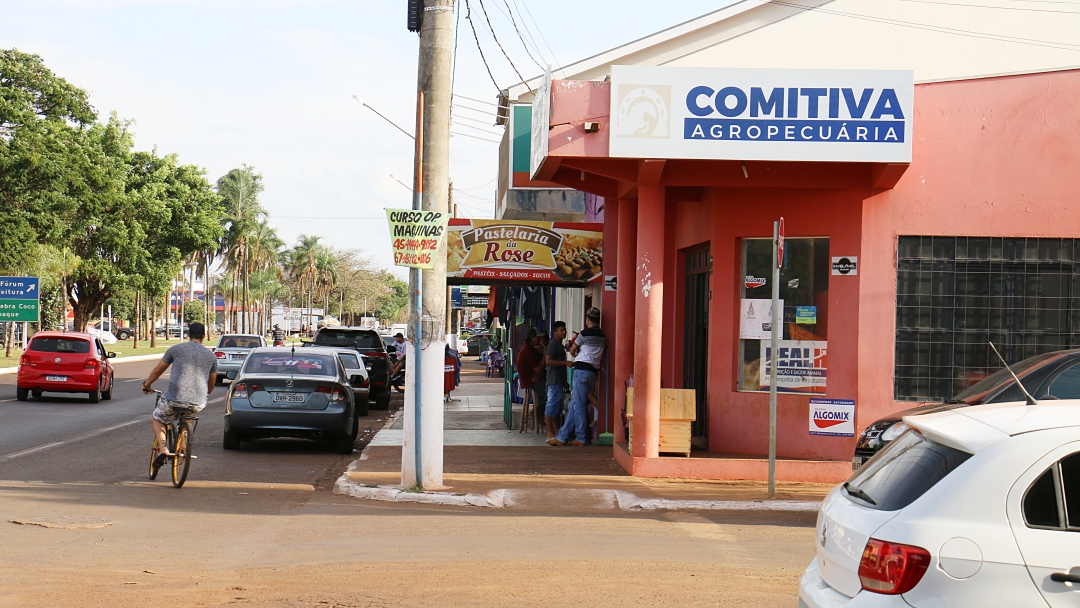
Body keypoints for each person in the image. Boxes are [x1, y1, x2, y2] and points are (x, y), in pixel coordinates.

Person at [142, 322, 218, 463]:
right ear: (204, 336)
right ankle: (183, 444)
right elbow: (212, 383)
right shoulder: (211, 356)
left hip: (174, 397)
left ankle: (164, 448)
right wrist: (204, 396)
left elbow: (157, 371)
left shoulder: (176, 349)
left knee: (157, 418)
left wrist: (147, 385)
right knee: (188, 415)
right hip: (198, 401)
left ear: (188, 335)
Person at [549, 308, 606, 447]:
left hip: (581, 370)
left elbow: (573, 350)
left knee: (578, 405)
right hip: (593, 372)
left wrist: (576, 352)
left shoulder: (584, 334)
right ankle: (562, 436)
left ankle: (581, 437)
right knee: (575, 403)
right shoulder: (602, 336)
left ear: (587, 319)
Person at [544, 321, 573, 441]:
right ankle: (550, 433)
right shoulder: (553, 345)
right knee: (551, 407)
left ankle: (557, 432)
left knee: (557, 408)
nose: (564, 332)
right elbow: (548, 361)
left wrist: (564, 381)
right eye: (561, 330)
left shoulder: (560, 345)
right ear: (555, 332)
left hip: (559, 381)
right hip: (553, 381)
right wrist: (565, 363)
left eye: (565, 330)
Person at [515, 328, 544, 416]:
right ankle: (539, 412)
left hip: (532, 378)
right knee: (551, 393)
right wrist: (545, 356)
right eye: (538, 338)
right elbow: (538, 370)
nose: (540, 340)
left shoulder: (531, 349)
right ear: (532, 338)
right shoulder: (528, 351)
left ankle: (540, 411)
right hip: (530, 380)